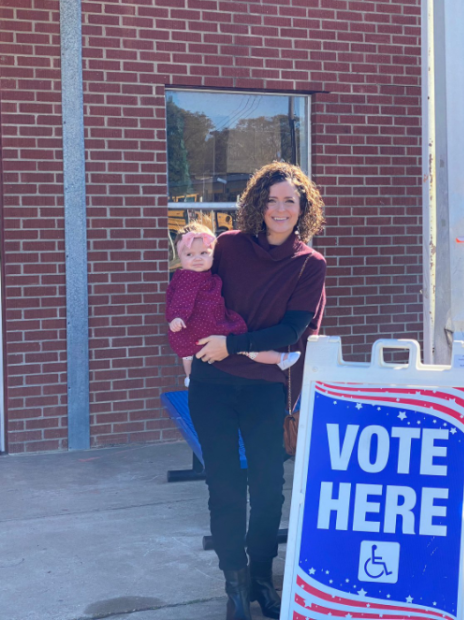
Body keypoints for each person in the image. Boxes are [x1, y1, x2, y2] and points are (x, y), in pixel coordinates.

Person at [188, 162, 327, 620]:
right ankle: (235, 582)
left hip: (266, 391)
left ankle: (263, 578)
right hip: (212, 387)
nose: (280, 208)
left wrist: (235, 345)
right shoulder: (228, 247)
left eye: (290, 200)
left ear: (303, 206)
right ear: (257, 205)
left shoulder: (308, 264)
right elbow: (192, 295)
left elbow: (293, 330)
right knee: (224, 487)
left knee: (268, 490)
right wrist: (190, 347)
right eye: (271, 199)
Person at [166, 221, 301, 387]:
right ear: (180, 257)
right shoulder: (187, 277)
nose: (197, 258)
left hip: (205, 324)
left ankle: (191, 378)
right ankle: (279, 359)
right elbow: (181, 299)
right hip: (204, 324)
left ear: (212, 255)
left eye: (203, 252)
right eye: (189, 255)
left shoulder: (206, 275)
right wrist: (178, 317)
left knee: (190, 353)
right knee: (240, 342)